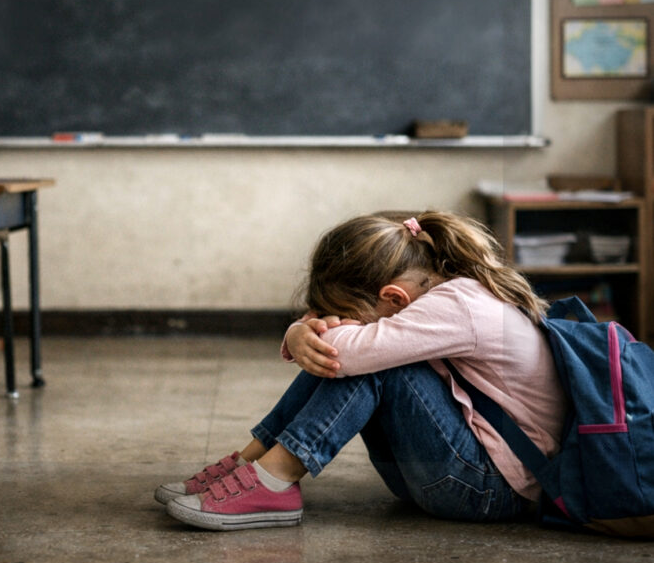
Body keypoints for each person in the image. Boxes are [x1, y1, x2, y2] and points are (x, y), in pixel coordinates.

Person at [155, 211, 567, 531]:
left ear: (393, 296)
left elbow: (348, 354)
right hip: (452, 476)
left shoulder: (458, 305)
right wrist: (307, 329)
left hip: (487, 491)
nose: (335, 321)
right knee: (362, 353)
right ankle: (254, 463)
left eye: (343, 314)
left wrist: (300, 332)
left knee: (371, 363)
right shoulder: (448, 290)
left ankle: (275, 479)